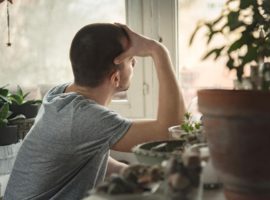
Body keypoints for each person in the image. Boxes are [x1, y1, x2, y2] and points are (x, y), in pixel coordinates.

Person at [4, 23, 186, 200]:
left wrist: (124, 171)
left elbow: (79, 153)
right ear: (115, 77)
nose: (135, 62)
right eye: (131, 60)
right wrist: (159, 51)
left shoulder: (60, 94)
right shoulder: (85, 118)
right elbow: (171, 131)